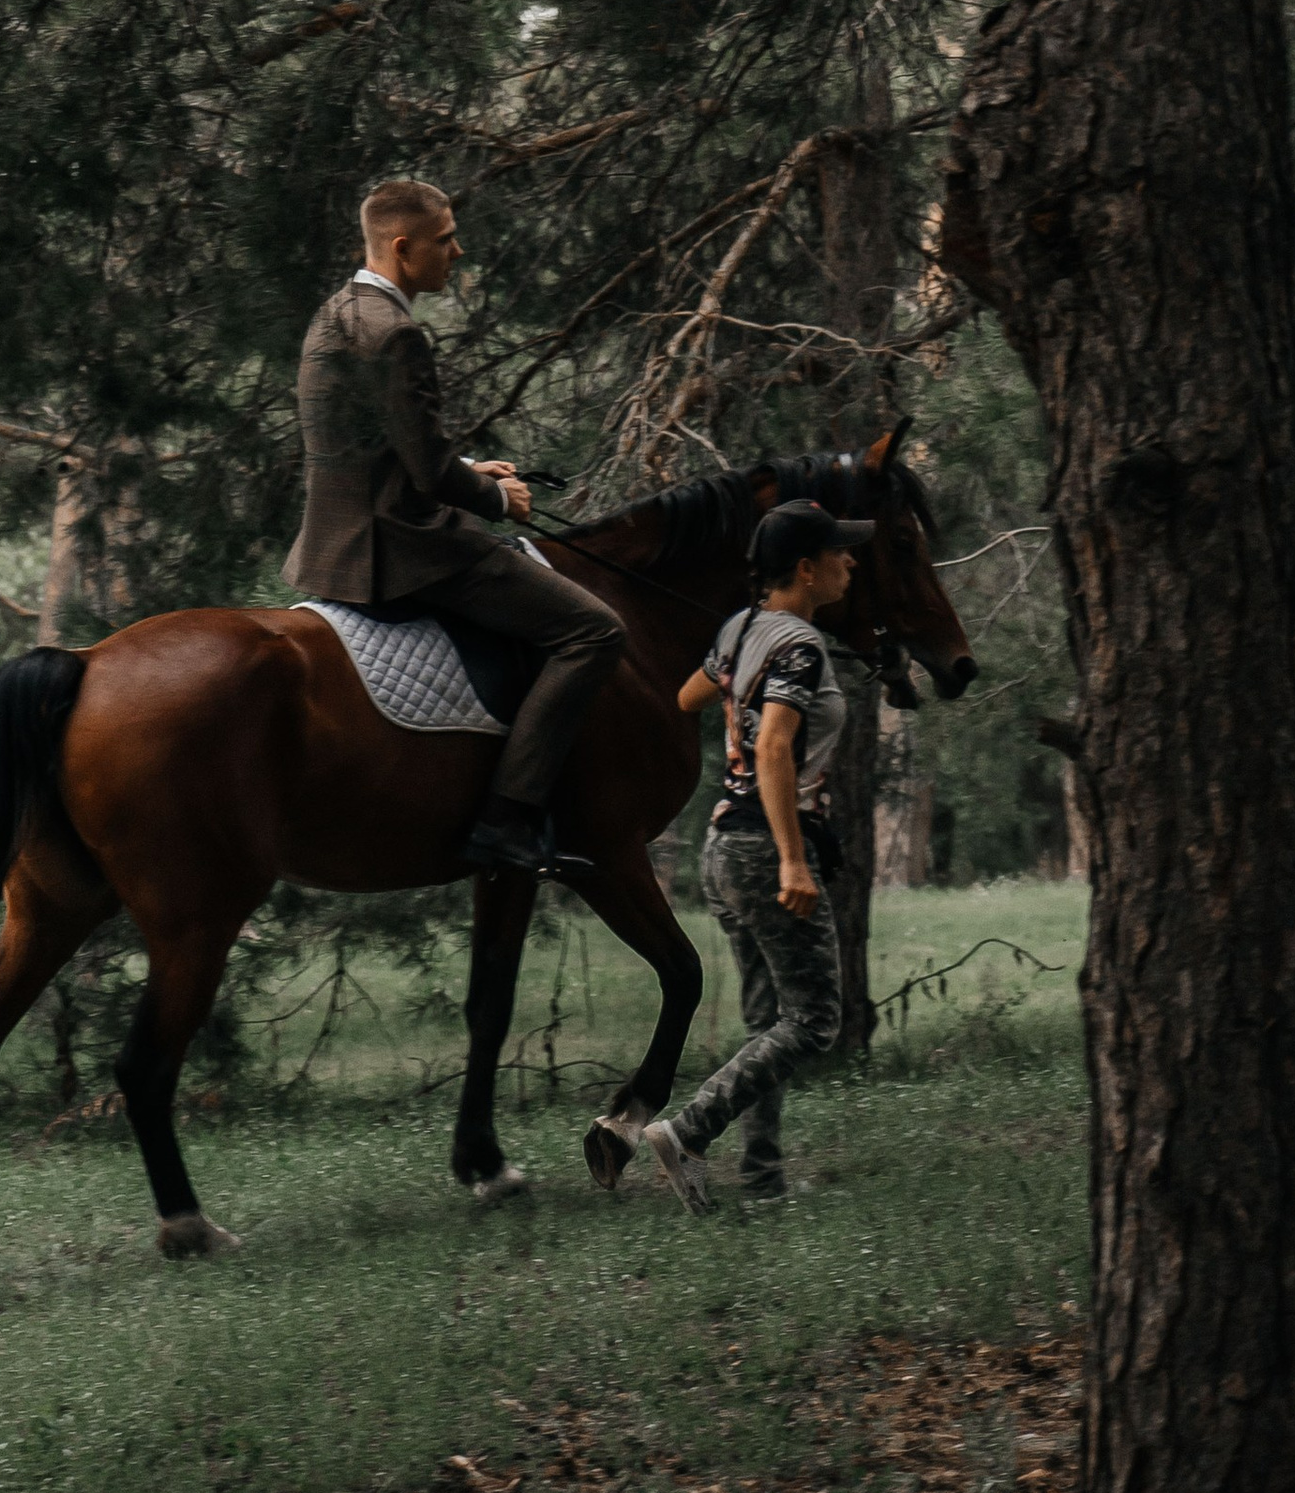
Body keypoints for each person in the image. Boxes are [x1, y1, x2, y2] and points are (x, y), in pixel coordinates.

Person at [285, 175, 623, 876]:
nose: (458, 251)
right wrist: (499, 501)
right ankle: (508, 820)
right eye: (444, 241)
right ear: (404, 249)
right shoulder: (397, 334)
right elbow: (431, 478)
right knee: (595, 631)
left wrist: (474, 466)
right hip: (399, 551)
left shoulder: (339, 312)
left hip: (329, 547)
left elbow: (384, 445)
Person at [644, 492, 871, 1210]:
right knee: (814, 1021)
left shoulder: (742, 630)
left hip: (721, 846)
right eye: (840, 552)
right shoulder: (799, 645)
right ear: (806, 569)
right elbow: (774, 744)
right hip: (764, 848)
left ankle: (764, 1183)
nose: (851, 562)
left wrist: (733, 686)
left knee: (769, 1019)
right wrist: (793, 858)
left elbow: (687, 698)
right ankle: (688, 1129)